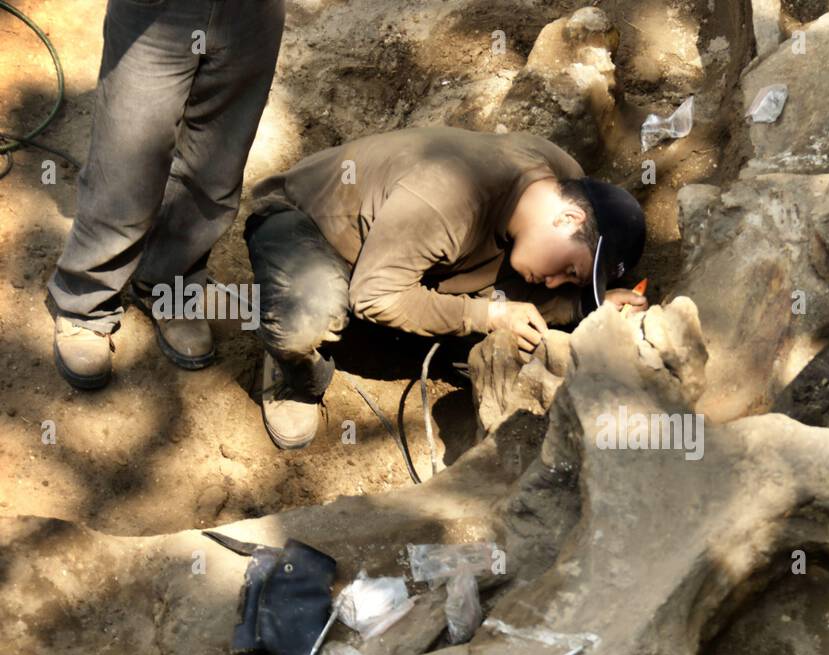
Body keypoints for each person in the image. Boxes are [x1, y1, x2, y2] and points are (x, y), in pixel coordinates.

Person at [242, 126, 647, 449]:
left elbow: (542, 289)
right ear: (568, 218)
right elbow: (374, 296)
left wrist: (587, 307)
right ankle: (295, 368)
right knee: (310, 314)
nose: (558, 282)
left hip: (407, 259)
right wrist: (486, 314)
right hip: (308, 231)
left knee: (499, 343)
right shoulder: (448, 198)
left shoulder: (561, 182)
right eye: (571, 271)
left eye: (571, 282)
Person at [48, 0, 286, 389]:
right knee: (126, 162)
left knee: (216, 167)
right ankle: (85, 301)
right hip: (156, 12)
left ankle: (169, 283)